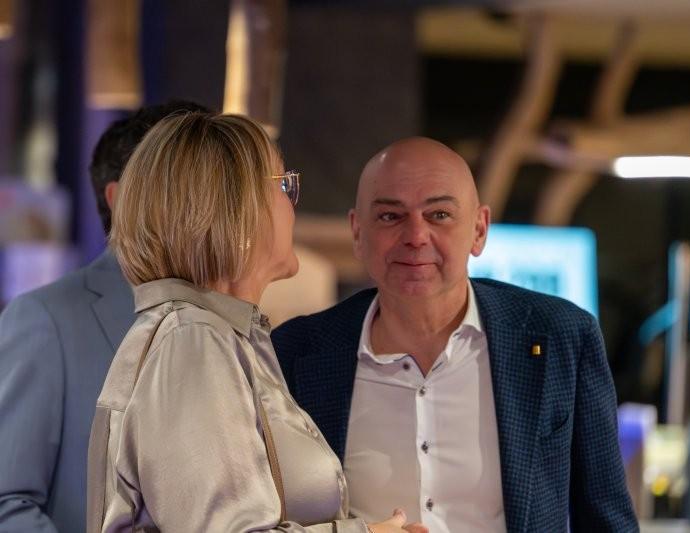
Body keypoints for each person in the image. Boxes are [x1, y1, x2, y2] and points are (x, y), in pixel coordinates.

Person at [271, 137, 639, 532]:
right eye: (390, 216)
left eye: (440, 215)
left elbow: (607, 522)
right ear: (358, 232)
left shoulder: (561, 338)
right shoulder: (295, 353)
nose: (416, 235)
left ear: (479, 229)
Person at [86, 111, 426, 533]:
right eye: (282, 185)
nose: (292, 203)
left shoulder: (217, 336)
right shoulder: (193, 341)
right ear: (234, 210)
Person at [0, 101, 207, 533]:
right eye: (187, 183)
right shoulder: (46, 320)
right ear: (122, 198)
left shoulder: (226, 320)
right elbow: (7, 501)